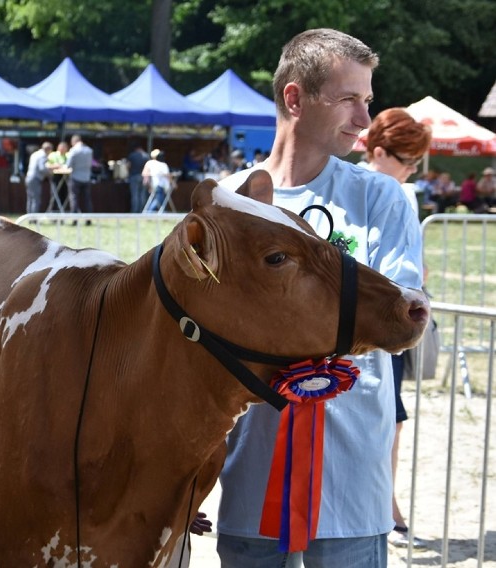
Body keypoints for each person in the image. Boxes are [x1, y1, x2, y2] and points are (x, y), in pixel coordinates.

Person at [213, 29, 424, 568]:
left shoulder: (381, 197)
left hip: (351, 486)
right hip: (250, 485)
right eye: (348, 98)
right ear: (294, 98)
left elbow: (402, 319)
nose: (364, 118)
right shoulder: (227, 201)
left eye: (368, 100)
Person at [360, 107, 431, 549]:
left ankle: (388, 501)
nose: (411, 172)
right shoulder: (388, 193)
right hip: (381, 324)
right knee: (387, 418)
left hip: (391, 320)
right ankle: (384, 504)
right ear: (380, 152)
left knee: (394, 420)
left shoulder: (398, 192)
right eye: (407, 162)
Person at [65, 134, 94, 218]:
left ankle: (74, 219)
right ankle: (89, 219)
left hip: (75, 178)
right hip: (87, 178)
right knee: (87, 200)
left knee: (74, 198)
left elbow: (68, 165)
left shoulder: (73, 150)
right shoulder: (89, 150)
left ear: (73, 142)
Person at [24, 141, 53, 213]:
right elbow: (42, 168)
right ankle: (34, 218)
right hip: (35, 179)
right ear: (48, 149)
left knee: (30, 198)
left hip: (28, 177)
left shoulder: (35, 154)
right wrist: (50, 172)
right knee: (36, 199)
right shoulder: (43, 155)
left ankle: (29, 217)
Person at [46, 141, 70, 209]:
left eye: (64, 149)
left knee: (64, 194)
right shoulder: (53, 155)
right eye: (61, 149)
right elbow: (47, 165)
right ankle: (52, 211)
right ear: (58, 148)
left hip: (65, 176)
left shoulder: (68, 155)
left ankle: (62, 211)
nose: (62, 150)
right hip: (55, 177)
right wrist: (56, 166)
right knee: (54, 195)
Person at [126, 144, 149, 213]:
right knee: (142, 195)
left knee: (135, 194)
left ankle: (134, 211)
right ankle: (142, 210)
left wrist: (128, 172)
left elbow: (128, 165)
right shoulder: (146, 156)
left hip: (134, 176)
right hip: (143, 176)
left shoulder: (132, 155)